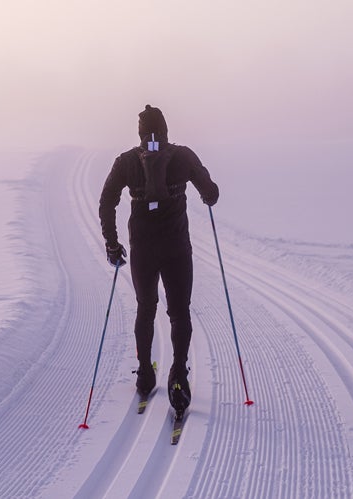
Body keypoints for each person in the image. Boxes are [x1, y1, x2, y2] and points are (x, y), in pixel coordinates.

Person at [98, 104, 219, 413]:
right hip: (177, 247)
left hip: (143, 248)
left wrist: (112, 244)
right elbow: (211, 192)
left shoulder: (126, 162)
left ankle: (144, 374)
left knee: (146, 307)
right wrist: (207, 194)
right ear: (166, 129)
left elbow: (107, 202)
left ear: (140, 133)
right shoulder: (183, 156)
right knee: (179, 313)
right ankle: (178, 374)